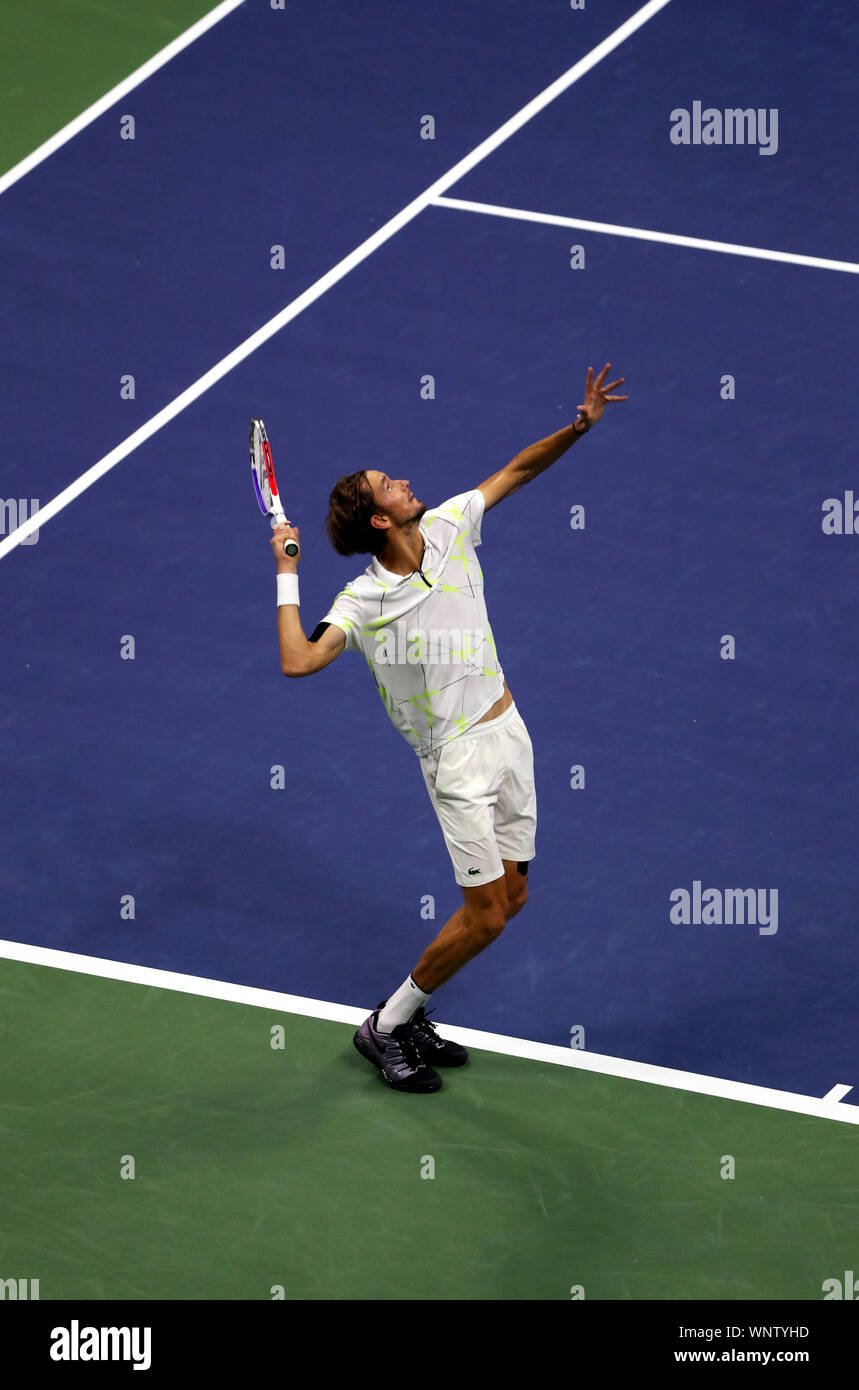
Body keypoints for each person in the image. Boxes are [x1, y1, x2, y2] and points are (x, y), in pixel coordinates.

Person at [271, 364, 627, 1093]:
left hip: (509, 730)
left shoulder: (448, 523)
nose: (405, 481)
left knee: (513, 899)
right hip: (455, 761)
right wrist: (285, 572)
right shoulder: (363, 599)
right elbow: (298, 661)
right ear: (380, 518)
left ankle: (410, 1014)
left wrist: (579, 424)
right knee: (487, 916)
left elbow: (518, 470)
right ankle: (387, 1027)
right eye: (389, 485)